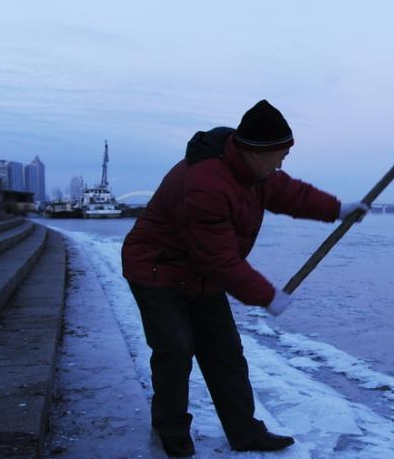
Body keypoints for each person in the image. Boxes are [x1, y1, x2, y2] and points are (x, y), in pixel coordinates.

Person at [121, 99, 367, 457]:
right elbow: (219, 259)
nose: (283, 161)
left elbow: (291, 194)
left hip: (200, 272)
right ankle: (171, 427)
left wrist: (337, 209)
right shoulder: (206, 184)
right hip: (157, 268)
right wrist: (267, 295)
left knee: (226, 353)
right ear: (256, 152)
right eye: (280, 154)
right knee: (175, 347)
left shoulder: (254, 173)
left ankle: (245, 432)